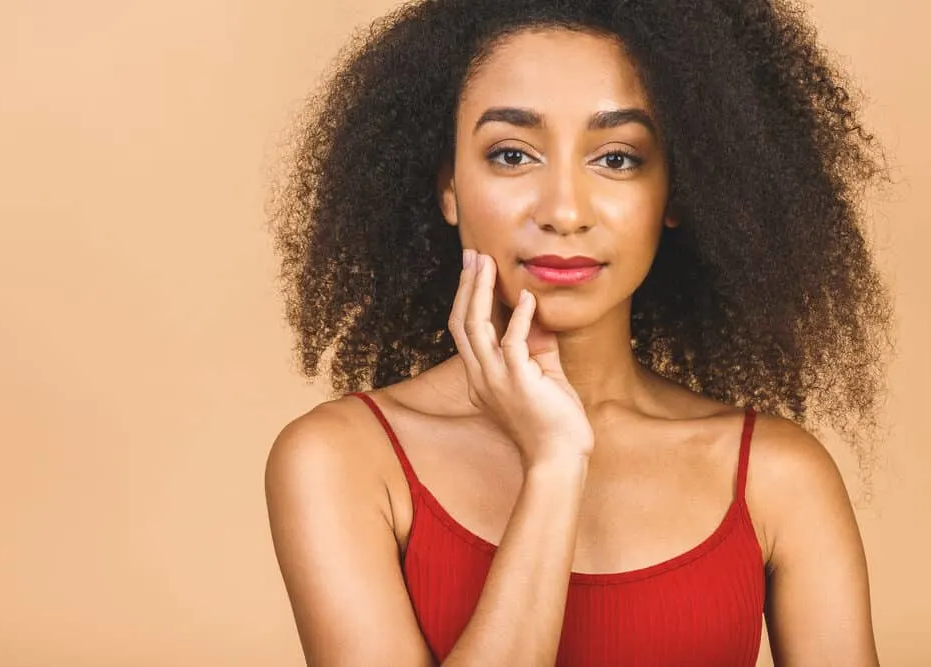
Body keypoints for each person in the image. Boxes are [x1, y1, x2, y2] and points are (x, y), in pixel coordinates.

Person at [265, 1, 893, 665]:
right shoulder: (342, 460)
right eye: (511, 154)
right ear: (448, 186)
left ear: (677, 193)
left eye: (618, 158)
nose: (565, 210)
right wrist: (555, 466)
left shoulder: (778, 476)